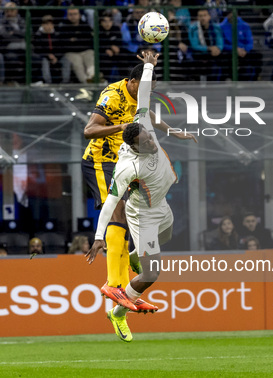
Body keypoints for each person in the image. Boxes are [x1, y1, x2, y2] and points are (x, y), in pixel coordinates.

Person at [87, 52, 195, 342]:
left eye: (149, 137)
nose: (150, 142)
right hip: (117, 180)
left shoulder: (144, 122)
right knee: (147, 263)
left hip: (159, 206)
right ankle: (115, 292)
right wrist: (97, 237)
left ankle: (133, 262)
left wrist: (150, 65)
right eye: (144, 141)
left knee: (168, 234)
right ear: (134, 145)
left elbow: (145, 98)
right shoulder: (128, 166)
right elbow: (110, 202)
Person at [220, 11, 262, 81]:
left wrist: (245, 50)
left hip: (243, 51)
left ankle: (255, 79)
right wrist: (234, 49)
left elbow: (249, 42)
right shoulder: (221, 27)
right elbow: (222, 44)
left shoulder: (245, 25)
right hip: (230, 51)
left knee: (257, 55)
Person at [57, 8, 95, 84]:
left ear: (79, 15)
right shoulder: (63, 27)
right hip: (71, 53)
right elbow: (63, 43)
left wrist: (74, 40)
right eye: (70, 14)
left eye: (75, 14)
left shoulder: (85, 26)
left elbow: (90, 40)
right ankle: (86, 85)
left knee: (91, 65)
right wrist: (80, 39)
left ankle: (93, 80)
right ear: (67, 16)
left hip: (86, 51)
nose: (73, 16)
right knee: (78, 66)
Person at [189, 9, 224, 81]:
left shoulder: (216, 27)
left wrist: (218, 49)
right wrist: (209, 48)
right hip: (200, 53)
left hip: (213, 53)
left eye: (205, 15)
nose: (203, 18)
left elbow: (220, 42)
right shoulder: (193, 28)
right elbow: (194, 45)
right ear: (197, 18)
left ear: (209, 17)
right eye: (200, 16)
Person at [32, 15, 68, 85]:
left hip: (55, 57)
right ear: (42, 25)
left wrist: (56, 57)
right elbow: (38, 49)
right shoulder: (37, 35)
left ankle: (65, 82)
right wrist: (48, 55)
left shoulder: (57, 35)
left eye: (50, 24)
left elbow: (61, 48)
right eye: (46, 24)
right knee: (44, 61)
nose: (49, 26)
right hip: (43, 57)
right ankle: (48, 82)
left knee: (66, 61)